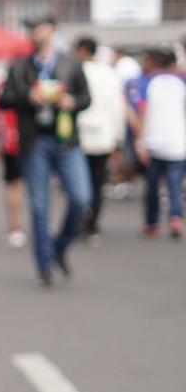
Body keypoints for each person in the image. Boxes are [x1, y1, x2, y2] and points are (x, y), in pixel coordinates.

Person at [0, 14, 92, 287]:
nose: (34, 33)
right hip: (34, 141)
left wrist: (71, 101)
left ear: (52, 29)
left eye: (39, 28)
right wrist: (28, 95)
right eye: (31, 29)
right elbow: (4, 100)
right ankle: (44, 264)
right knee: (39, 206)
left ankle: (59, 247)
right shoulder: (20, 65)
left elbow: (86, 98)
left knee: (80, 198)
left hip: (66, 139)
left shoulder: (70, 62)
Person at [75, 37, 127, 245]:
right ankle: (92, 225)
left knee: (79, 184)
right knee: (97, 182)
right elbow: (117, 107)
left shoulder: (76, 70)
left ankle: (80, 220)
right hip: (103, 136)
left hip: (78, 136)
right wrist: (118, 138)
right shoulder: (108, 73)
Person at [129, 48, 186, 239]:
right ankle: (176, 217)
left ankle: (152, 222)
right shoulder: (181, 81)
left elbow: (142, 112)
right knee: (175, 186)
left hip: (154, 143)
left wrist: (139, 140)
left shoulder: (147, 82)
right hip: (178, 144)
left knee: (152, 187)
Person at [0, 76, 27, 249]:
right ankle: (16, 226)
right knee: (15, 185)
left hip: (15, 142)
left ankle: (16, 227)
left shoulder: (1, 88)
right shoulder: (6, 88)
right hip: (15, 142)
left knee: (14, 185)